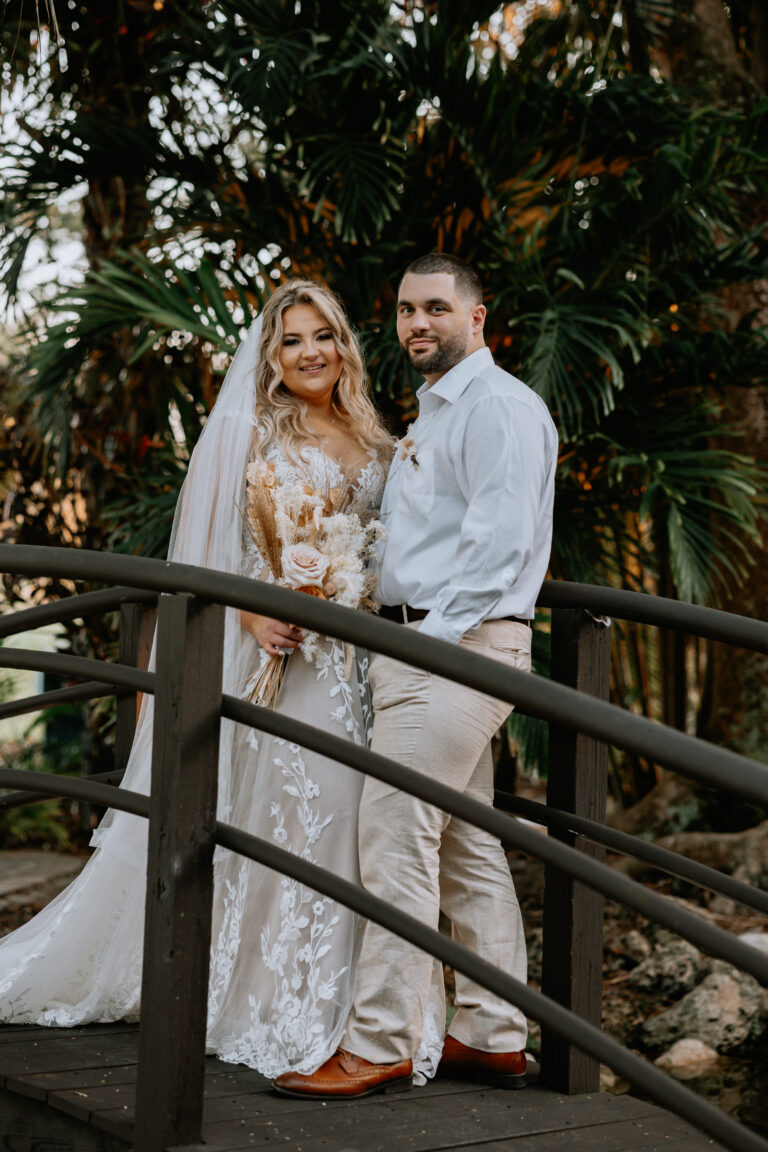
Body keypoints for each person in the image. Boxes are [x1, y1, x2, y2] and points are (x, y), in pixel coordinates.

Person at [0, 280, 444, 1081]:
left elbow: (392, 548)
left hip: (368, 662)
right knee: (304, 819)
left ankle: (371, 1019)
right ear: (270, 358)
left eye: (324, 336)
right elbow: (209, 556)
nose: (310, 353)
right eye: (291, 341)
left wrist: (359, 587)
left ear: (345, 344)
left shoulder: (380, 438)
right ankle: (278, 1001)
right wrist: (250, 616)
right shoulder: (254, 434)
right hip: (289, 658)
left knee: (367, 830)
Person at [274, 253, 558, 1100]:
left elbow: (498, 546)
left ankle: (379, 1043)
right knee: (468, 845)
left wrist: (425, 643)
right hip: (425, 648)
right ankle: (495, 1032)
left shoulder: (499, 408)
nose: (416, 323)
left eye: (436, 307)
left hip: (455, 651)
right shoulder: (434, 414)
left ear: (479, 317)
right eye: (404, 310)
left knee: (391, 835)